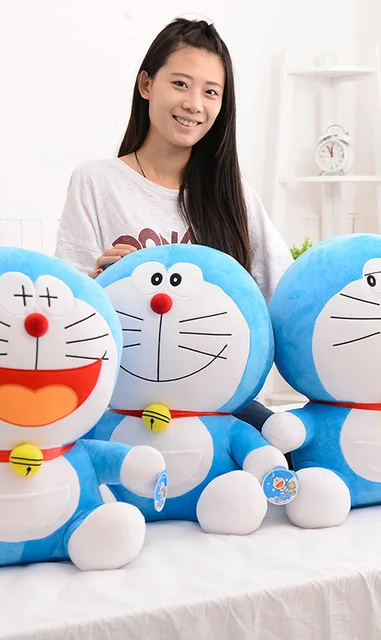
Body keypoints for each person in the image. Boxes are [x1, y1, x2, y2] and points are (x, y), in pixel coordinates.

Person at [54, 18, 293, 430]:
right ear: (146, 84)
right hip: (128, 404)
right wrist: (98, 282)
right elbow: (66, 308)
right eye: (181, 84)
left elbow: (286, 290)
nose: (194, 104)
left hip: (219, 406)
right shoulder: (96, 181)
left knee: (291, 451)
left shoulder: (232, 194)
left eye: (211, 92)